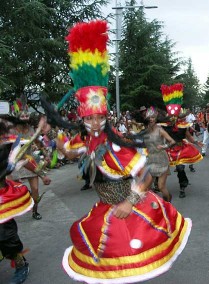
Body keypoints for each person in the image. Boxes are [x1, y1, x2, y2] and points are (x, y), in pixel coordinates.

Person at [42, 20, 191, 283]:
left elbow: (145, 174)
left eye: (101, 118)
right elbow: (70, 153)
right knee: (109, 266)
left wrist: (128, 202)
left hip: (130, 208)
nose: (96, 124)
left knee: (130, 266)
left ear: (107, 118)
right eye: (91, 119)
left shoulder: (115, 145)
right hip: (105, 206)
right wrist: (53, 135)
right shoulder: (85, 140)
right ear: (82, 120)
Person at [0, 112, 47, 284]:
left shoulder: (8, 144)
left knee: (5, 234)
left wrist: (42, 174)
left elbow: (24, 159)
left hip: (2, 198)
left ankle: (20, 264)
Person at [9, 98, 52, 220]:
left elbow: (39, 142)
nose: (25, 116)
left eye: (26, 114)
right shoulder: (11, 131)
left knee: (36, 190)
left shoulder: (32, 129)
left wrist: (46, 153)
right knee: (19, 191)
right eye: (22, 114)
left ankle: (35, 211)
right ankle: (26, 197)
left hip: (31, 161)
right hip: (17, 164)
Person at [160, 83, 203, 198]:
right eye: (171, 116)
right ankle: (157, 184)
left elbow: (188, 135)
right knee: (160, 167)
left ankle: (182, 186)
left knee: (180, 168)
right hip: (168, 149)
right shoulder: (164, 125)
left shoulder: (183, 125)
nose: (173, 118)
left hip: (181, 149)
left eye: (175, 116)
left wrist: (195, 142)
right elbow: (160, 136)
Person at [141, 106, 175, 201]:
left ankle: (168, 203)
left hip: (161, 160)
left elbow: (172, 141)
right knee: (146, 187)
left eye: (153, 118)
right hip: (151, 160)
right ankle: (151, 208)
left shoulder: (160, 130)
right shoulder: (145, 130)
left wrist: (164, 146)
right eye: (149, 118)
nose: (151, 119)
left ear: (156, 119)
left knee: (161, 187)